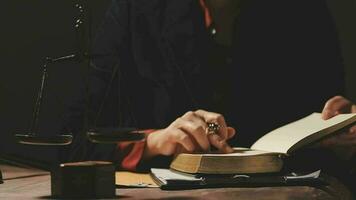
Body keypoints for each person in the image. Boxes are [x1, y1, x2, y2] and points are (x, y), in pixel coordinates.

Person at [61, 0, 347, 171]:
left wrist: (343, 128)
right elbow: (71, 139)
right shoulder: (137, 10)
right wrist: (155, 142)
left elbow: (328, 121)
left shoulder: (303, 11)